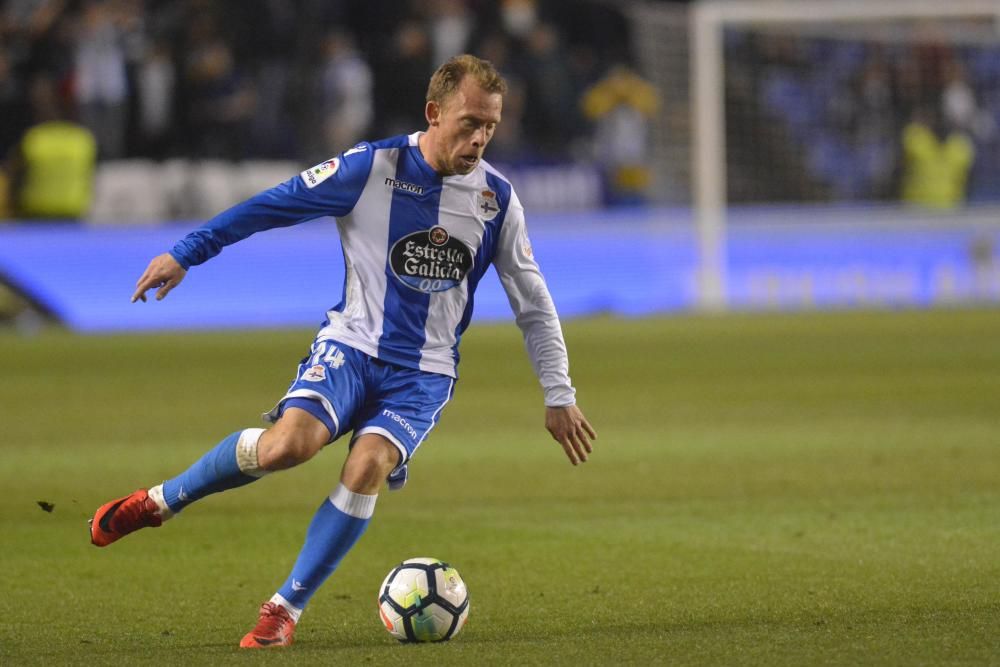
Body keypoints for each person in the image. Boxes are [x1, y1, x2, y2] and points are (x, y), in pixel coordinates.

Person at [89, 54, 596, 649]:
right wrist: (187, 251)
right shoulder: (370, 167)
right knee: (288, 446)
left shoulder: (497, 201)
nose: (480, 138)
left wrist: (559, 392)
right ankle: (159, 502)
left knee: (367, 465)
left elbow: (532, 301)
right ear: (434, 113)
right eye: (468, 122)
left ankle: (284, 609)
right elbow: (269, 206)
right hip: (352, 345)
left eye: (490, 124)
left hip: (423, 375)